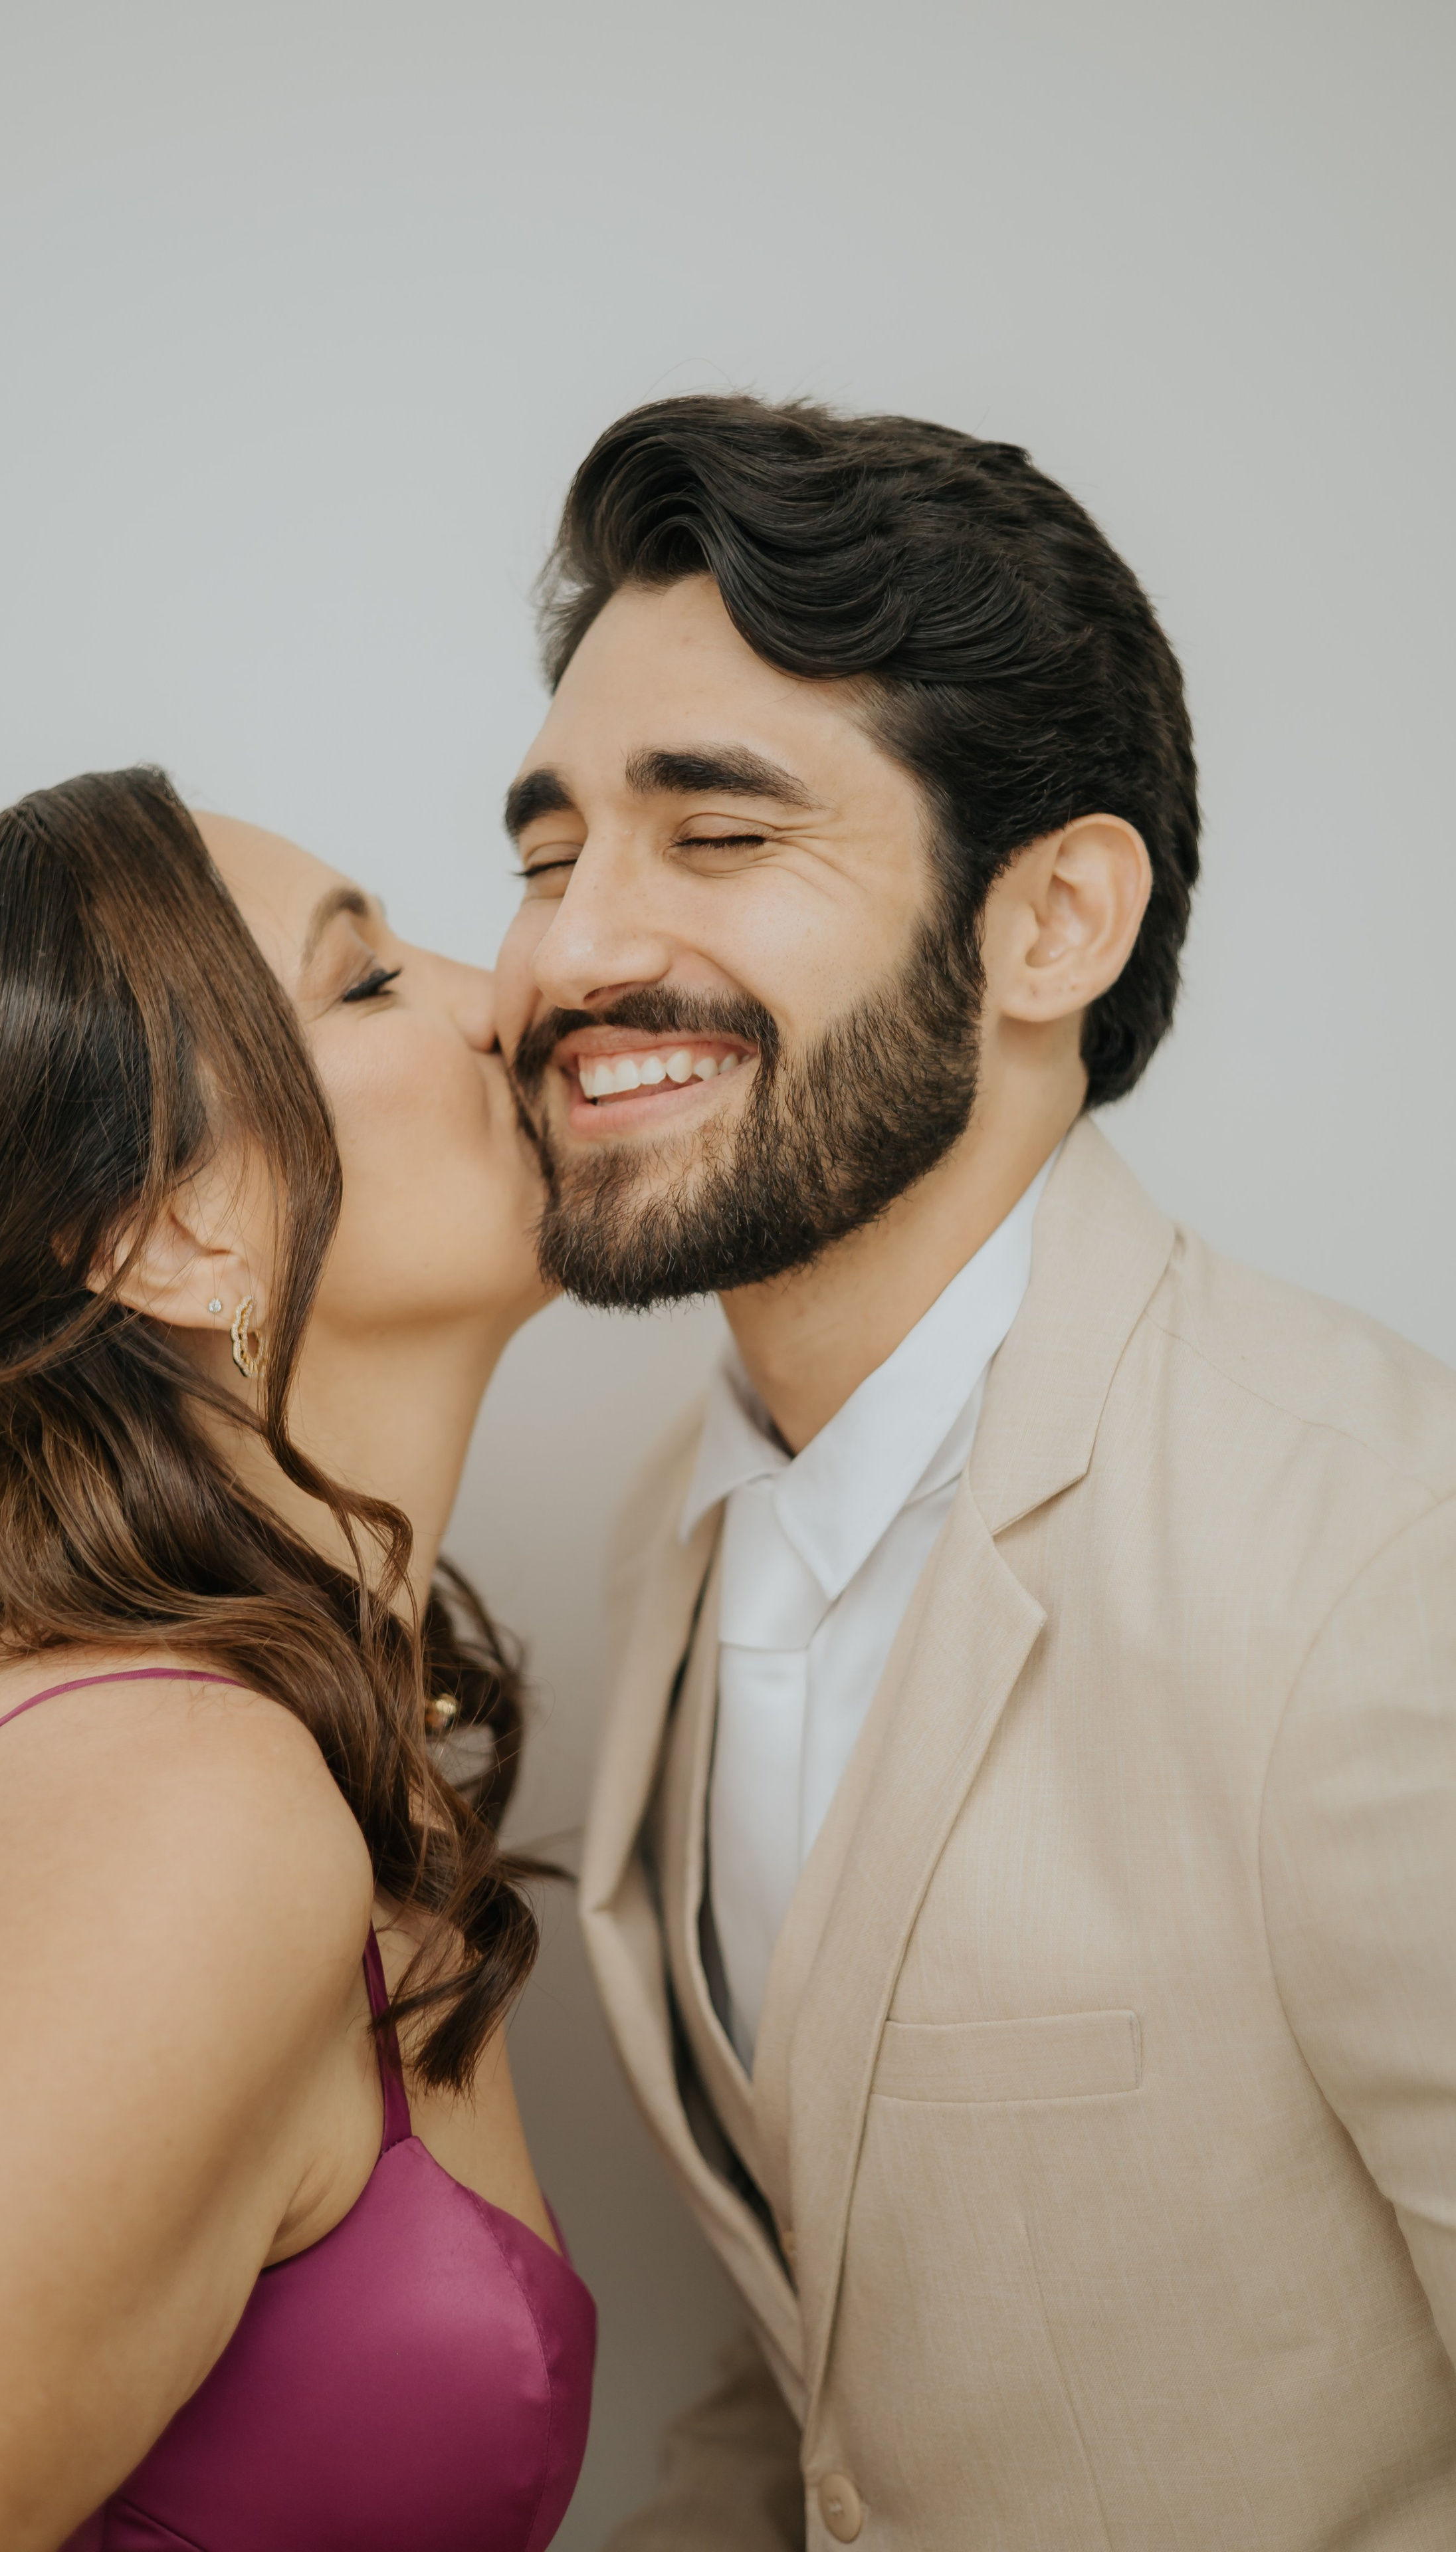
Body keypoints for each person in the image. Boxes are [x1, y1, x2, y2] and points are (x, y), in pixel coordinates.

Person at [496, 395, 1456, 2549]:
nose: (562, 952)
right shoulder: (688, 1522)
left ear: (1053, 926)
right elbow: (848, 2359)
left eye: (716, 834)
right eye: (546, 851)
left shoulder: (1386, 1574)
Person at [0, 766, 594, 2551]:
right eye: (365, 982)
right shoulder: (171, 1809)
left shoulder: (246, 1749)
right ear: (168, 1236)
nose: (500, 996)